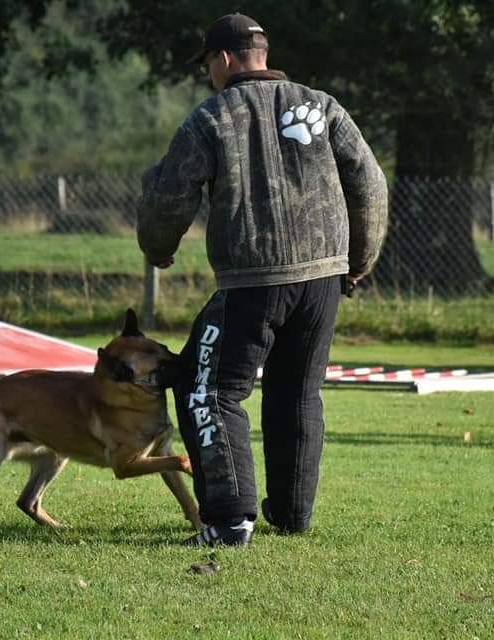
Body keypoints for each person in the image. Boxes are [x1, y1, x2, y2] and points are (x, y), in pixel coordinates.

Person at [136, 12, 388, 546]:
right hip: (323, 277)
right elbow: (369, 181)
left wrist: (158, 248)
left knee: (207, 388)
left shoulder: (211, 118)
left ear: (224, 59)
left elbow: (169, 195)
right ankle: (292, 513)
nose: (208, 75)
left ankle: (229, 521)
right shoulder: (323, 106)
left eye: (207, 64)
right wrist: (359, 260)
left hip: (253, 279)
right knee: (297, 392)